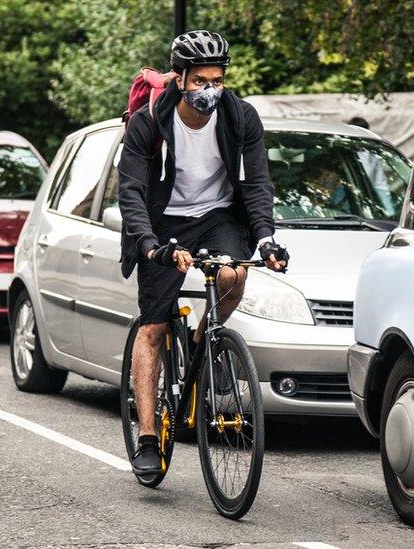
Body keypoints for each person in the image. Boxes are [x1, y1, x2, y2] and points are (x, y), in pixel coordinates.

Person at [117, 30, 289, 474]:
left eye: (218, 79)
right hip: (162, 220)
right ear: (180, 79)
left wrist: (266, 236)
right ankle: (149, 437)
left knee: (234, 275)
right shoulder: (149, 123)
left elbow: (256, 184)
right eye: (200, 81)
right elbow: (132, 190)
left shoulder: (241, 118)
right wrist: (149, 245)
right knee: (152, 328)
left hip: (217, 215)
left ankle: (202, 345)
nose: (210, 90)